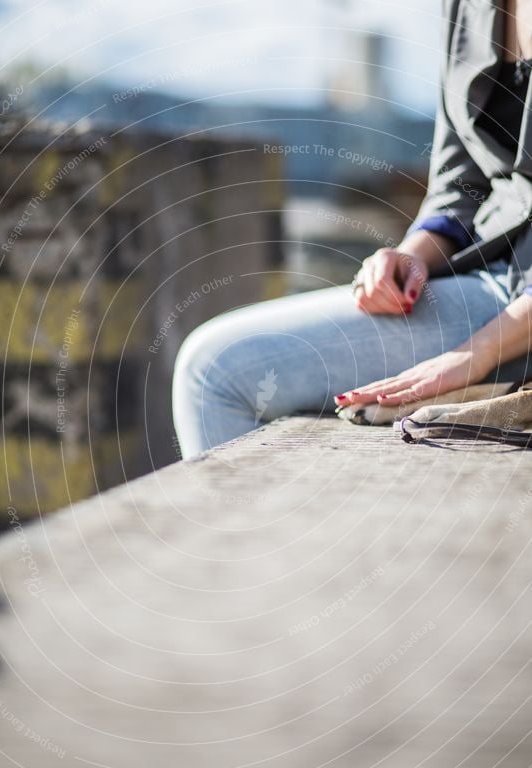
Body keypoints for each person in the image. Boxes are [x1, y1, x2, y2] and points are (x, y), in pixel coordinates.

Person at [173, 0, 532, 459]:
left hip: (516, 313)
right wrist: (410, 257)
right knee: (213, 364)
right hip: (490, 278)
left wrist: (477, 354)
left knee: (217, 372)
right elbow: (461, 180)